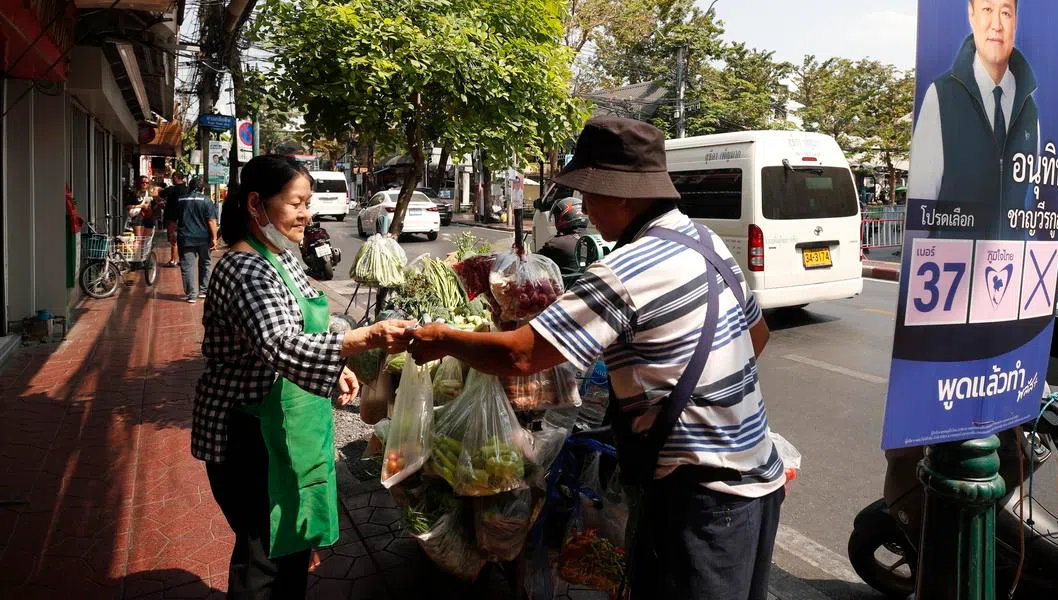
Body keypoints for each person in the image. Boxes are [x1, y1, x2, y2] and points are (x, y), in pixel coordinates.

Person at [403, 117, 785, 600]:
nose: (582, 206)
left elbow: (521, 356)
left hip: (702, 500)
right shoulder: (705, 241)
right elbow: (757, 337)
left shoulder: (625, 269)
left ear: (623, 194)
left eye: (588, 191)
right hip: (756, 481)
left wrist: (442, 337)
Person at [191, 154, 414, 598]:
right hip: (250, 438)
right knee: (264, 559)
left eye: (307, 202)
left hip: (291, 427)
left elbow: (311, 321)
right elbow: (281, 344)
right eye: (296, 203)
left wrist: (336, 372)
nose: (306, 213)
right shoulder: (243, 269)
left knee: (293, 545)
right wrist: (364, 338)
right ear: (256, 205)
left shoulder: (281, 257)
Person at [907, 0, 1039, 239]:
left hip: (1008, 270)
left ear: (1016, 20)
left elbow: (1027, 203)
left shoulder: (1029, 109)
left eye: (1006, 12)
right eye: (987, 9)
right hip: (952, 271)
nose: (997, 24)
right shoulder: (941, 98)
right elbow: (921, 205)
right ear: (971, 14)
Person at [174, 178, 218, 304]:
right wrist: (214, 238)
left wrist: (172, 234)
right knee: (205, 263)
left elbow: (172, 220)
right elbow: (211, 221)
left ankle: (191, 295)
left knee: (187, 266)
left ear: (189, 187)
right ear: (202, 188)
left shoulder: (180, 200)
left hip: (185, 239)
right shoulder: (206, 200)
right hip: (204, 238)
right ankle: (204, 291)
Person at [537, 197, 588, 277]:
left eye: (556, 217)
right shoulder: (595, 241)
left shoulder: (556, 244)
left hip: (567, 288)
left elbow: (533, 261)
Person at [161, 171, 190, 267]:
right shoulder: (188, 190)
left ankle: (173, 260)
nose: (172, 180)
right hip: (185, 219)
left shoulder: (172, 189)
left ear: (176, 177)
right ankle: (183, 260)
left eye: (173, 178)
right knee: (183, 240)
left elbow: (161, 193)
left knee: (173, 240)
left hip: (173, 218)